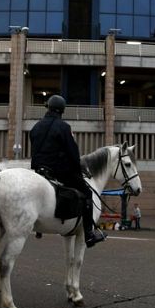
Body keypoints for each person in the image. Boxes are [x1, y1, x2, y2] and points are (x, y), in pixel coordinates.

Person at [30, 94, 105, 248]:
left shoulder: (36, 126)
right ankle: (89, 235)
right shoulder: (64, 127)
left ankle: (38, 228)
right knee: (87, 193)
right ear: (62, 110)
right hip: (58, 171)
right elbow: (73, 154)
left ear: (48, 108)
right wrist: (78, 170)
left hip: (38, 170)